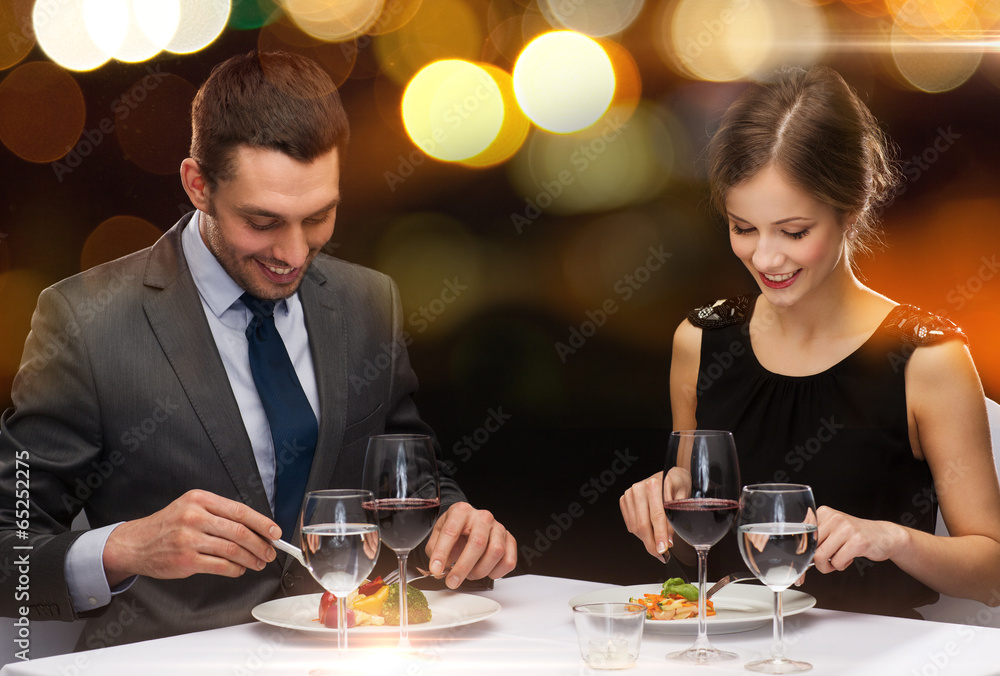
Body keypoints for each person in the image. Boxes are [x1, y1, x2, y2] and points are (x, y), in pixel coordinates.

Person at [0, 51, 516, 648]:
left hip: (350, 654)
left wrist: (458, 527)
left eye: (318, 216)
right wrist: (127, 546)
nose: (294, 254)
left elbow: (404, 482)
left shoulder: (369, 301)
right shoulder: (87, 322)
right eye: (263, 222)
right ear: (198, 185)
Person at [619, 65, 1000, 618]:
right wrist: (659, 504)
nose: (767, 259)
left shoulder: (927, 360)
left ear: (853, 205)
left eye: (794, 232)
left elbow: (991, 571)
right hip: (730, 651)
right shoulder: (700, 343)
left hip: (876, 655)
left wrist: (891, 539)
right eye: (742, 228)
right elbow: (693, 551)